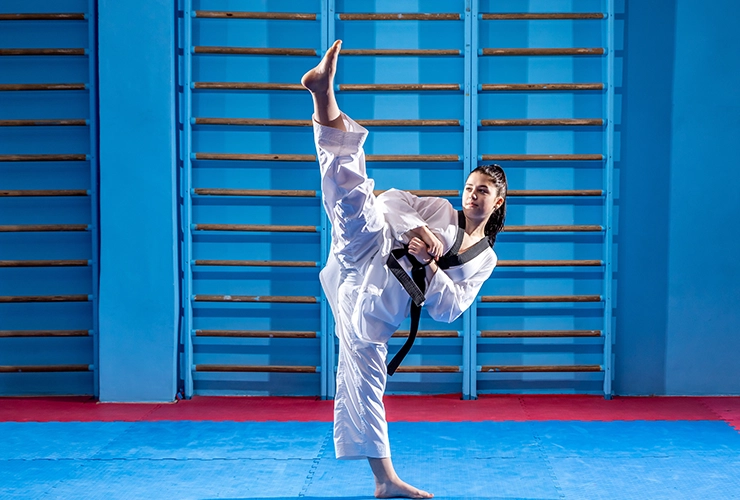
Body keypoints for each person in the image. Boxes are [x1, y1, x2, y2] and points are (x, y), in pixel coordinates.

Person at [301, 40, 507, 499]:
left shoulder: (485, 258)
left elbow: (451, 309)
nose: (472, 195)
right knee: (353, 198)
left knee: (365, 382)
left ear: (497, 203)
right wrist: (420, 231)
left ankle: (384, 480)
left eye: (482, 191)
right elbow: (391, 199)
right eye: (470, 187)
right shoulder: (438, 209)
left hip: (375, 300)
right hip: (368, 248)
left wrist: (430, 264)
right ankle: (323, 96)